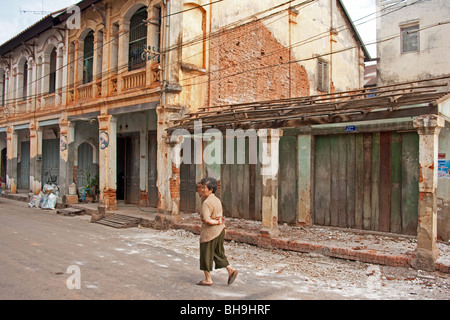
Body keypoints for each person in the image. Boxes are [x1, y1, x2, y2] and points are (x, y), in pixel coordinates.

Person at [197, 177, 238, 286]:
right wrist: (220, 222)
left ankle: (207, 279)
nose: (202, 189)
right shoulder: (217, 200)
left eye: (204, 188)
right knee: (217, 253)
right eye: (202, 187)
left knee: (205, 255)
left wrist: (217, 222)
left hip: (210, 233)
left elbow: (207, 219)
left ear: (211, 189)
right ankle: (230, 270)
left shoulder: (207, 202)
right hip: (220, 231)